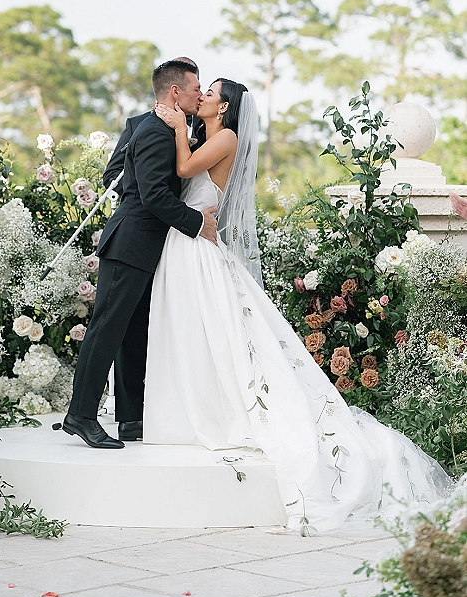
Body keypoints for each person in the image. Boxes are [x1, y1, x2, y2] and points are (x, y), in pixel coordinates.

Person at [144, 78, 451, 533]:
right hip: (188, 244)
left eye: (209, 93)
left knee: (210, 331)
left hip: (197, 250)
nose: (202, 97)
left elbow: (186, 170)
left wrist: (173, 126)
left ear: (224, 106)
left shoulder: (224, 136)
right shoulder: (210, 134)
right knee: (195, 331)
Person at [61, 60, 218, 449]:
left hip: (149, 246)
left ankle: (132, 419)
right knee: (107, 329)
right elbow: (154, 195)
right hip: (131, 241)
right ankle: (80, 415)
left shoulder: (167, 129)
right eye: (196, 86)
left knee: (134, 333)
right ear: (175, 92)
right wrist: (197, 222)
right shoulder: (152, 132)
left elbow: (128, 177)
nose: (201, 92)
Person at [103, 56, 206, 195]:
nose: (201, 95)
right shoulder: (138, 124)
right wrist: (149, 189)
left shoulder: (205, 124)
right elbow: (112, 175)